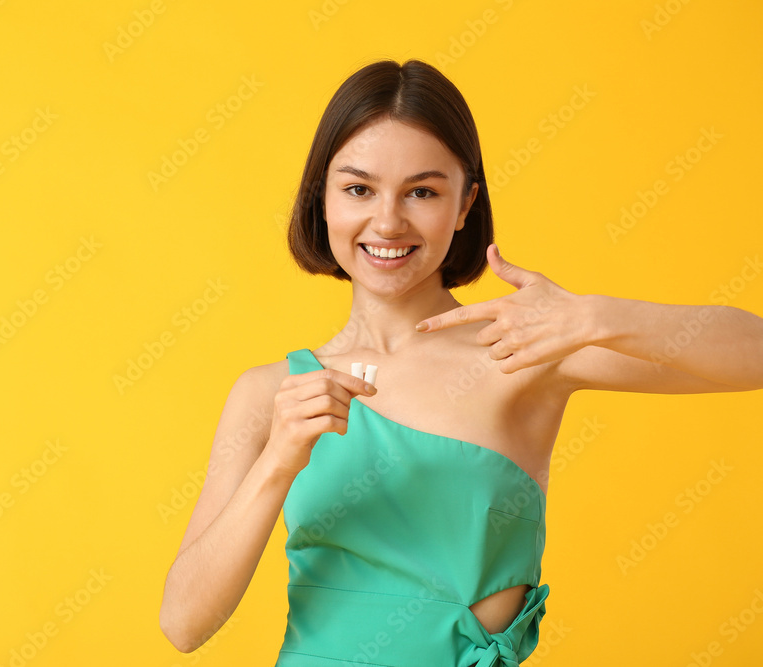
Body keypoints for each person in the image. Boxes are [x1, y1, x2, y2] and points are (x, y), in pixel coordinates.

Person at [158, 58, 763, 666]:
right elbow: (184, 624)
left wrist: (592, 317)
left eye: (422, 191)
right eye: (358, 188)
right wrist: (278, 462)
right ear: (322, 199)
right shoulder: (271, 392)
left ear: (467, 203)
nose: (388, 221)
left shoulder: (525, 351)